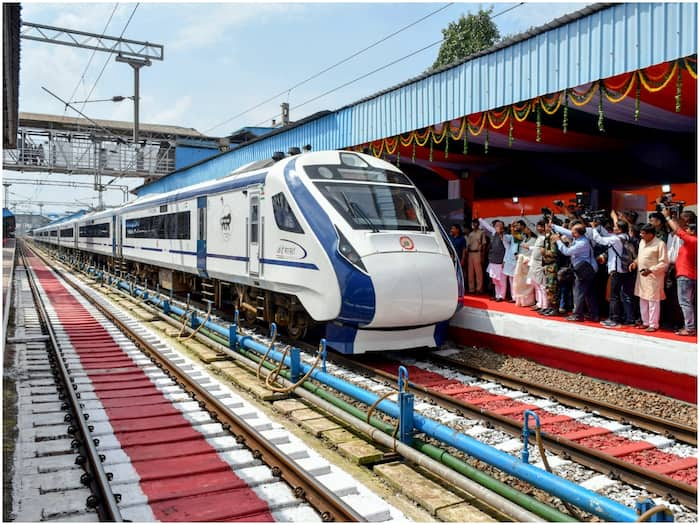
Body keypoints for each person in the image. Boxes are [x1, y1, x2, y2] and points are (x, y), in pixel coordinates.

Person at [591, 211, 636, 327]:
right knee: (626, 295)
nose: (613, 228)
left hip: (617, 270)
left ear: (620, 229)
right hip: (626, 270)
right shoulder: (627, 237)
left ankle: (614, 318)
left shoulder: (616, 239)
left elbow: (600, 240)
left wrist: (594, 229)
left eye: (615, 227)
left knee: (614, 296)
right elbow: (607, 235)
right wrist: (599, 225)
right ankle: (629, 318)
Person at [552, 223, 599, 322]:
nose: (571, 232)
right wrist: (553, 226)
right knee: (589, 293)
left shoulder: (582, 243)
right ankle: (593, 315)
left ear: (577, 233)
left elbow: (567, 252)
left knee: (578, 292)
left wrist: (558, 241)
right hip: (588, 269)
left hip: (584, 271)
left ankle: (577, 315)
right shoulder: (581, 237)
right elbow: (566, 232)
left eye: (573, 231)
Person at [629, 223, 668, 332]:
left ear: (651, 234)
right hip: (642, 276)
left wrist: (651, 270)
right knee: (643, 299)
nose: (641, 235)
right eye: (641, 233)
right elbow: (640, 256)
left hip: (653, 276)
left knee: (653, 300)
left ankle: (653, 324)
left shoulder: (660, 244)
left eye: (643, 233)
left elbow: (664, 263)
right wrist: (635, 263)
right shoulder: (642, 242)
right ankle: (645, 322)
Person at [663, 208, 696, 336]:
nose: (685, 230)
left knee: (685, 303)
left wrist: (667, 217)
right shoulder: (693, 240)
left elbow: (677, 230)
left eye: (688, 229)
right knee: (688, 303)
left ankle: (689, 328)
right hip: (690, 275)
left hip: (685, 275)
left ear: (693, 231)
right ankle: (689, 326)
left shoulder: (692, 240)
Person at [479, 218, 511, 301]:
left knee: (502, 280)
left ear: (502, 227)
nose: (497, 227)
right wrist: (480, 219)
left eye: (499, 226)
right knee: (495, 280)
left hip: (501, 261)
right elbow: (487, 226)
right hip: (493, 261)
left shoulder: (505, 236)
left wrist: (505, 260)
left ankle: (501, 296)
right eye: (496, 225)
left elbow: (507, 249)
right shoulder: (493, 233)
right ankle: (497, 295)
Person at [466, 218, 487, 294]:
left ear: (478, 224)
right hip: (470, 253)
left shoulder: (481, 233)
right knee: (470, 272)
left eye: (475, 223)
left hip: (477, 252)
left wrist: (483, 255)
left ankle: (479, 289)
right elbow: (467, 246)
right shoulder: (470, 234)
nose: (473, 225)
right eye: (472, 223)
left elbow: (484, 244)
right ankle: (471, 289)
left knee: (478, 272)